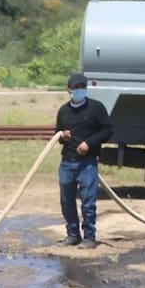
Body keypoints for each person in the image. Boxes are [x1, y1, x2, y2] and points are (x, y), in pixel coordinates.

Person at [55, 72, 113, 250]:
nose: (80, 90)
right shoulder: (64, 111)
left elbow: (107, 131)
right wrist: (63, 136)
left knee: (88, 201)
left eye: (83, 87)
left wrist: (89, 143)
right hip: (67, 162)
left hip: (87, 162)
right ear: (69, 90)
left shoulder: (96, 108)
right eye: (76, 88)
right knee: (66, 200)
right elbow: (57, 134)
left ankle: (89, 237)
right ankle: (73, 234)